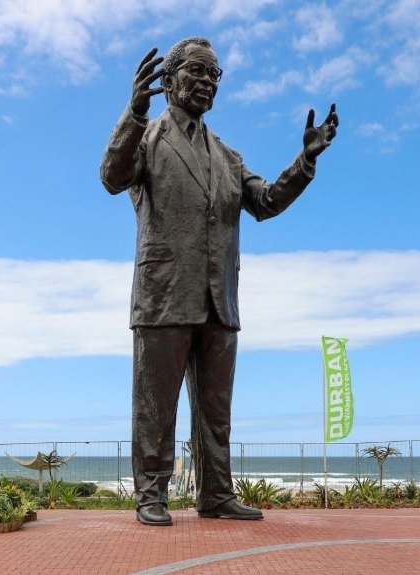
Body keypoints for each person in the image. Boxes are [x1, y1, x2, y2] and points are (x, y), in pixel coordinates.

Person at [100, 37, 338, 526]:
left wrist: (306, 161)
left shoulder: (227, 156)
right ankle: (151, 494)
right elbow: (111, 176)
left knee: (215, 411)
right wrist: (133, 112)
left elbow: (266, 202)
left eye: (215, 76)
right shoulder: (147, 136)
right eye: (198, 72)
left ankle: (215, 494)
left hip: (219, 301)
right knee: (155, 406)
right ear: (169, 80)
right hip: (163, 294)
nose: (208, 82)